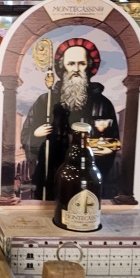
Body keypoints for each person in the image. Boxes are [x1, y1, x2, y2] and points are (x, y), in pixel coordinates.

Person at [21, 39, 120, 201]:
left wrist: (103, 148)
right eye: (71, 63)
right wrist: (36, 134)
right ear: (63, 66)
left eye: (81, 63)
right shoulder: (45, 100)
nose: (76, 69)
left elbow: (112, 142)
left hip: (87, 175)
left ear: (89, 66)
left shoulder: (103, 104)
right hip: (50, 173)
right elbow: (25, 136)